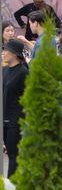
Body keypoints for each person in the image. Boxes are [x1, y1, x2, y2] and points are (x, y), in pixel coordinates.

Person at [2, 39, 29, 177]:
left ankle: (12, 187)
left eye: (6, 50)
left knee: (14, 155)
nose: (3, 53)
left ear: (15, 54)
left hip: (16, 120)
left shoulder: (23, 72)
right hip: (4, 118)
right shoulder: (4, 70)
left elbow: (28, 97)